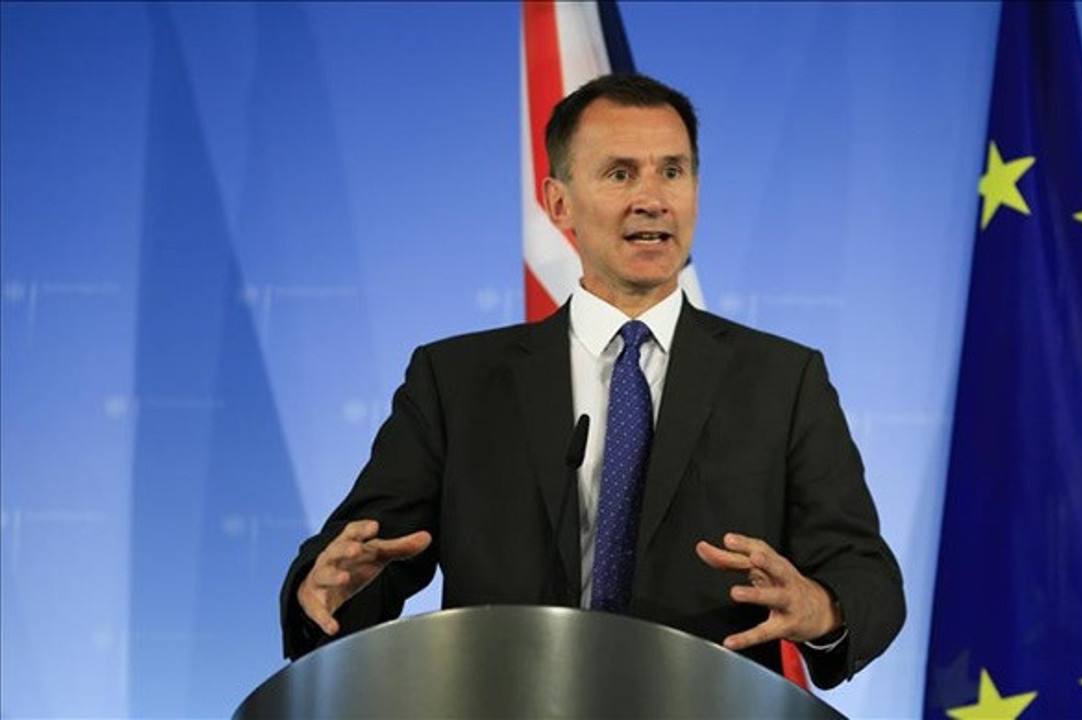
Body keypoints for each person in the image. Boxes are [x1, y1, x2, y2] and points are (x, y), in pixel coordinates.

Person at [280, 73, 904, 689]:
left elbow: (867, 576)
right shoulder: (457, 382)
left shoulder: (783, 381)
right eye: (620, 173)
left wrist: (823, 608)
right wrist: (323, 592)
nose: (652, 198)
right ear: (559, 203)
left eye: (673, 171)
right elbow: (361, 557)